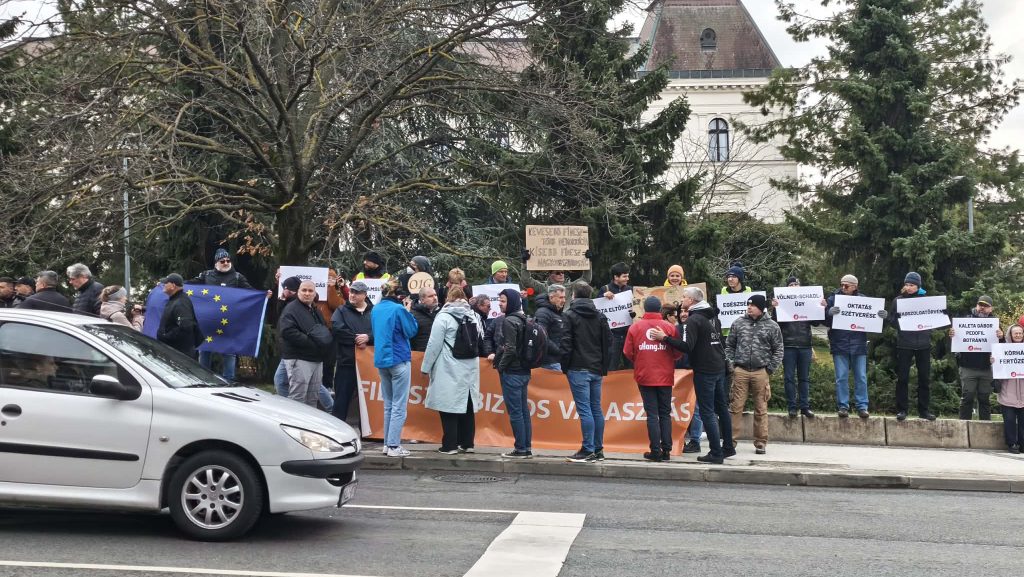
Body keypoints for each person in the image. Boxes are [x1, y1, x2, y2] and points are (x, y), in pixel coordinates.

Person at [651, 286, 735, 464]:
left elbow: (686, 346)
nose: (682, 300)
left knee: (707, 411)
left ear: (692, 301)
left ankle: (715, 452)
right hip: (719, 366)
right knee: (721, 408)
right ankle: (728, 446)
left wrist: (664, 338)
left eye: (684, 297)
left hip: (705, 369)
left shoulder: (693, 320)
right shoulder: (711, 317)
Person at [422, 287, 482, 454]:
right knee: (467, 404)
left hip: (449, 365)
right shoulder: (473, 315)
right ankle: (468, 443)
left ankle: (449, 445)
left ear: (448, 298)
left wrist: (425, 367)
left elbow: (434, 345)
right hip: (470, 366)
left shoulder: (444, 317)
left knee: (447, 405)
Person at [624, 296, 682, 462]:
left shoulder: (635, 328)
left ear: (644, 308)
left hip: (645, 375)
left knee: (652, 414)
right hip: (665, 375)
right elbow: (678, 351)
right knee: (665, 413)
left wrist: (641, 360)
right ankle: (667, 450)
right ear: (659, 309)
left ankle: (655, 450)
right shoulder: (669, 327)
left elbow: (628, 351)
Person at [725, 294, 783, 455]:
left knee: (761, 408)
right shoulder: (738, 323)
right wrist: (732, 365)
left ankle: (760, 442)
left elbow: (778, 349)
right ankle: (731, 442)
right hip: (741, 371)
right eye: (748, 305)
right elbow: (729, 345)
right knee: (735, 407)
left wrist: (769, 369)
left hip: (761, 371)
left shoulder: (772, 326)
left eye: (753, 305)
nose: (749, 307)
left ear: (761, 308)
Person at [560, 282, 611, 463]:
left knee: (585, 410)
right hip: (596, 367)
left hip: (578, 367)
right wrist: (603, 365)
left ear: (574, 296)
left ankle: (588, 448)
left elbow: (566, 343)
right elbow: (608, 343)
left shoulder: (570, 316)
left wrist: (565, 366)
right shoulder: (600, 316)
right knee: (596, 408)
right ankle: (598, 449)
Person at [189, 248, 256, 383]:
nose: (226, 263)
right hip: (208, 321)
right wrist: (169, 284)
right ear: (216, 263)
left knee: (229, 351)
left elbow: (251, 293)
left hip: (229, 322)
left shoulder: (238, 277)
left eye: (228, 260)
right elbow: (188, 285)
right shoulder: (206, 275)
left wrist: (263, 295)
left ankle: (229, 381)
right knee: (205, 350)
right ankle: (203, 380)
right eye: (222, 261)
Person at [371, 279, 419, 457]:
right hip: (398, 358)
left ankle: (387, 444)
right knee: (399, 405)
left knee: (389, 405)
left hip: (382, 360)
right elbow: (411, 330)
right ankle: (393, 445)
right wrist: (408, 310)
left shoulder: (375, 308)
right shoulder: (398, 309)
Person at [823, 274, 873, 418]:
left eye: (846, 285)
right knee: (841, 377)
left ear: (855, 286)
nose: (843, 288)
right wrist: (828, 313)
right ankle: (843, 406)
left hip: (859, 344)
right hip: (839, 343)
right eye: (841, 285)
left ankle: (862, 406)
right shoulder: (832, 299)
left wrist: (880, 316)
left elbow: (872, 321)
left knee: (861, 377)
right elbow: (824, 321)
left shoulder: (864, 300)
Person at [889, 271, 936, 421]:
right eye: (907, 284)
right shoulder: (898, 300)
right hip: (905, 344)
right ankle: (902, 410)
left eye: (912, 285)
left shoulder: (926, 301)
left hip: (923, 344)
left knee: (924, 379)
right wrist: (893, 319)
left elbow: (935, 319)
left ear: (918, 286)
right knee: (902, 378)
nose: (909, 287)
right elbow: (892, 321)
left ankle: (924, 411)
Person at [279, 280, 333, 406]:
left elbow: (323, 330)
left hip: (316, 359)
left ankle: (309, 426)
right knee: (298, 400)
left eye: (310, 291)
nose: (307, 293)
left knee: (312, 400)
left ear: (315, 293)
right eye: (304, 290)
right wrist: (312, 343)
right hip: (299, 358)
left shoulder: (315, 310)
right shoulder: (291, 309)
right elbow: (288, 332)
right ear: (298, 292)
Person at [950, 295, 1002, 420]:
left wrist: (1002, 337)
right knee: (967, 397)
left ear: (991, 308)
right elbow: (955, 342)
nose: (982, 308)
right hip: (968, 366)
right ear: (976, 305)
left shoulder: (995, 324)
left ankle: (985, 428)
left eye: (986, 306)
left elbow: (1002, 348)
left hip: (987, 368)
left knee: (984, 399)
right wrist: (952, 335)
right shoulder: (965, 321)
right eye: (980, 305)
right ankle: (963, 427)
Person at [495, 288, 533, 458]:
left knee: (516, 412)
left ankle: (520, 448)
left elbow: (510, 349)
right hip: (524, 370)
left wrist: (501, 367)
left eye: (503, 301)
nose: (500, 304)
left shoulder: (509, 321)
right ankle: (526, 447)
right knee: (524, 411)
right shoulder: (524, 319)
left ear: (511, 302)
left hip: (512, 372)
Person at [772, 276, 815, 418]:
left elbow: (816, 322)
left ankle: (804, 406)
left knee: (804, 378)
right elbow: (775, 323)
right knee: (789, 378)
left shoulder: (808, 301)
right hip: (788, 345)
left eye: (797, 283)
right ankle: (792, 407)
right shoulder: (782, 302)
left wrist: (820, 306)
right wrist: (776, 308)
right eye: (791, 284)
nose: (794, 286)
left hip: (805, 344)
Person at [331, 281, 374, 423]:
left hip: (368, 365)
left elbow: (381, 331)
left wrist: (369, 337)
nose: (352, 295)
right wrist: (357, 339)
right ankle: (337, 429)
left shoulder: (374, 312)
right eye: (351, 292)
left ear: (365, 295)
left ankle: (369, 433)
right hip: (346, 363)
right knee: (341, 399)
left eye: (356, 293)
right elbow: (337, 329)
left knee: (368, 402)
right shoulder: (341, 311)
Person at [598, 262, 634, 372]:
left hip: (628, 334)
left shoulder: (630, 290)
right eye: (624, 276)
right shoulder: (605, 289)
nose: (627, 278)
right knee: (611, 366)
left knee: (631, 366)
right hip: (612, 335)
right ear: (616, 277)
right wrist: (603, 297)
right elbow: (598, 310)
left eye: (627, 275)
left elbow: (637, 309)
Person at [157, 273, 201, 357]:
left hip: (180, 354)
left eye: (166, 283)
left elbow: (185, 327)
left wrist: (166, 336)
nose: (164, 285)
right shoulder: (175, 300)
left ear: (173, 285)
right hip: (174, 351)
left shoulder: (181, 303)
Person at [995, 324, 1024, 453]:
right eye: (1015, 333)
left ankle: (1022, 444)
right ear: (1010, 335)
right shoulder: (1002, 350)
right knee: (1010, 420)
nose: (1018, 335)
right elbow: (998, 370)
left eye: (1020, 333)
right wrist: (994, 362)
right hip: (1008, 390)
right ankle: (1012, 444)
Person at [534, 284, 566, 371]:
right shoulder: (543, 313)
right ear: (551, 298)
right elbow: (542, 337)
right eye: (560, 297)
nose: (563, 300)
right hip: (549, 362)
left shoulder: (559, 313)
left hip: (559, 360)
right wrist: (559, 351)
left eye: (564, 297)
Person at [410, 286, 439, 352]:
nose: (435, 298)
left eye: (435, 295)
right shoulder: (412, 315)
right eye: (430, 296)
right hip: (420, 355)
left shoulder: (441, 312)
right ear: (422, 300)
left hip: (439, 355)